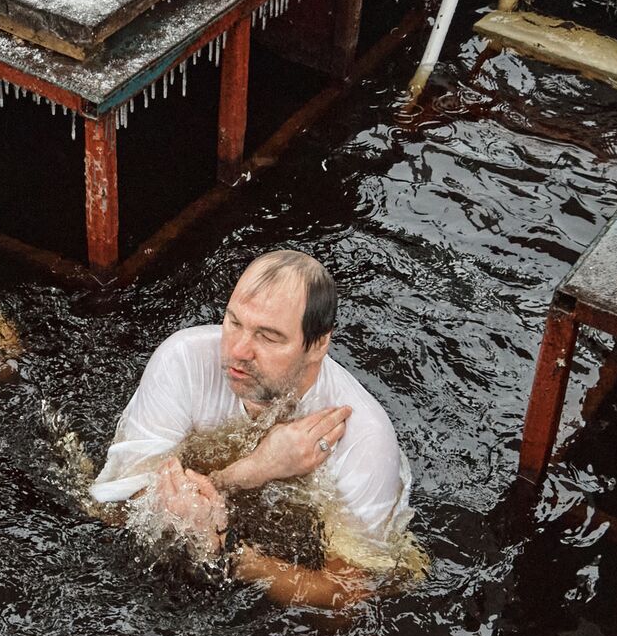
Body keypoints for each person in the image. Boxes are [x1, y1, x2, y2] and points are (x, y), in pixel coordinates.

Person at [91, 249, 413, 607]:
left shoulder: (364, 438)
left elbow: (349, 597)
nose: (238, 351)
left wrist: (230, 553)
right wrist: (252, 470)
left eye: (268, 336)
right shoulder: (183, 361)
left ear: (319, 343)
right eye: (233, 322)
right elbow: (114, 507)